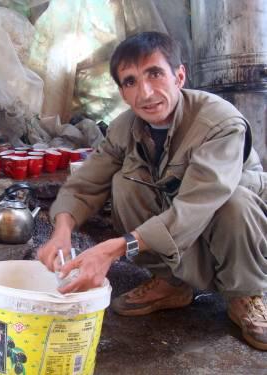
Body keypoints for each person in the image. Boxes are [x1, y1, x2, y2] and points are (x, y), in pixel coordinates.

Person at [38, 31, 267, 351]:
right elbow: (85, 184)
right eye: (130, 81)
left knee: (235, 203)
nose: (145, 92)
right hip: (176, 216)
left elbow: (196, 205)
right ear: (122, 93)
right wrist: (61, 230)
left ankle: (245, 294)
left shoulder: (220, 121)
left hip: (225, 217)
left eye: (155, 74)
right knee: (125, 183)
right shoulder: (124, 127)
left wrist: (114, 249)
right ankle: (172, 283)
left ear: (179, 76)